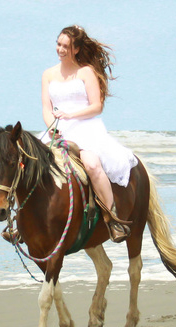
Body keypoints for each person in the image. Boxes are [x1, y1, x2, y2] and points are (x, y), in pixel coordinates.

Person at [40, 25, 138, 243]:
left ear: (76, 49)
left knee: (92, 165)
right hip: (58, 129)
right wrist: (52, 127)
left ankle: (113, 219)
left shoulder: (86, 72)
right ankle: (21, 221)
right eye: (58, 44)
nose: (60, 49)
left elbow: (96, 107)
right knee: (31, 165)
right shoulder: (48, 74)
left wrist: (70, 115)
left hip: (85, 128)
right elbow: (46, 108)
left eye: (66, 46)